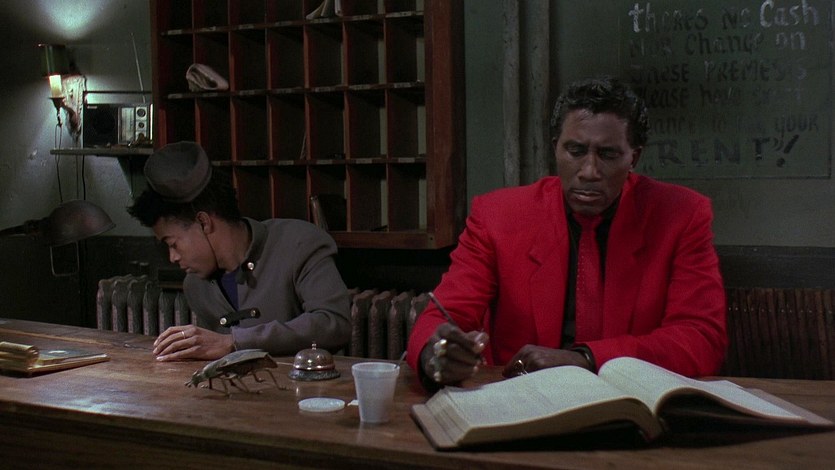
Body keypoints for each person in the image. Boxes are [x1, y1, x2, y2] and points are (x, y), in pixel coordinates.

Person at [406, 76, 727, 387]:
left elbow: (701, 337)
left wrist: (586, 358)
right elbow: (441, 316)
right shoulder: (498, 216)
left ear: (634, 157)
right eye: (575, 151)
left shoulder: (681, 215)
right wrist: (435, 353)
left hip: (628, 400)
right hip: (521, 399)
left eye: (608, 154)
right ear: (555, 149)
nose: (589, 172)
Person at [127, 141, 351, 361]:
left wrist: (235, 341)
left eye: (172, 243)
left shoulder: (299, 243)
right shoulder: (195, 285)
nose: (172, 257)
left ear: (204, 222)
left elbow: (334, 323)